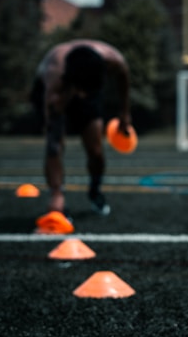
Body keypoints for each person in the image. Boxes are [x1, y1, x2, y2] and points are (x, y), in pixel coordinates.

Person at [31, 39, 131, 216]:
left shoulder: (112, 59)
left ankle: (95, 189)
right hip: (58, 88)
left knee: (96, 149)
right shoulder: (54, 75)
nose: (82, 96)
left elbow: (123, 77)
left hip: (83, 79)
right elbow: (53, 143)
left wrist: (124, 113)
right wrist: (56, 194)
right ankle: (56, 193)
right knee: (56, 143)